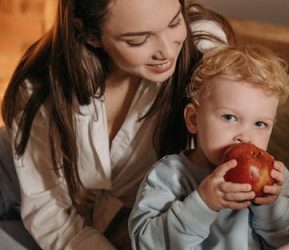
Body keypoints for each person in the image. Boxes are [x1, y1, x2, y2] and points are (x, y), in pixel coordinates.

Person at [0, 0, 235, 249]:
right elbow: (48, 209)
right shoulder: (40, 88)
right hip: (29, 175)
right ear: (91, 36)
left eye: (175, 22)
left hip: (101, 218)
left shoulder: (204, 51)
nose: (166, 51)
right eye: (138, 40)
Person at [129, 45, 289, 249]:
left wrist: (271, 208)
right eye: (229, 117)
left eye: (260, 124)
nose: (245, 137)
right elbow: (145, 244)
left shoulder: (276, 179)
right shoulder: (169, 176)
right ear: (193, 120)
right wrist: (203, 204)